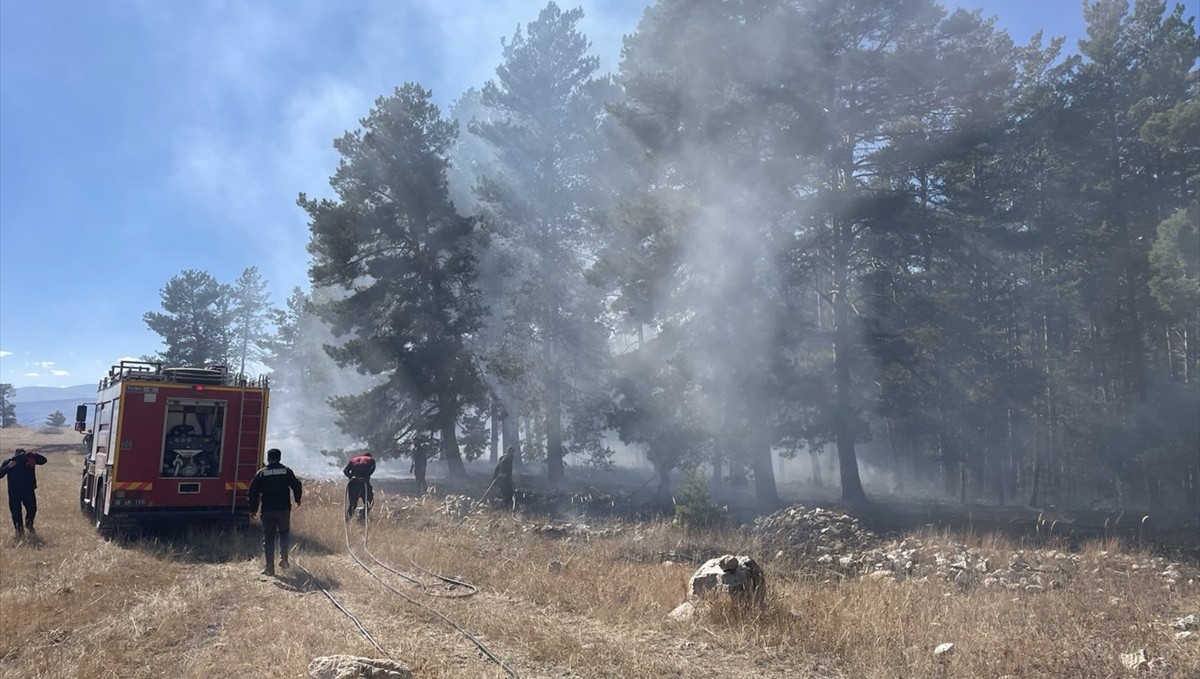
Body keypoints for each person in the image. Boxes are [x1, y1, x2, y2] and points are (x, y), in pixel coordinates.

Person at [248, 448, 302, 576]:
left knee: (269, 538)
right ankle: (284, 559)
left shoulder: (261, 473)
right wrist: (298, 499)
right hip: (284, 509)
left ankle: (269, 568)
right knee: (284, 534)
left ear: (268, 458)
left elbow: (253, 492)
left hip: (268, 511)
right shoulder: (286, 471)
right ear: (280, 458)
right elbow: (297, 484)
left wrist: (253, 509)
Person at [0, 448, 48, 537]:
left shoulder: (30, 460)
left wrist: (33, 455)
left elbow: (44, 460)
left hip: (28, 491)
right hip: (14, 492)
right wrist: (8, 467)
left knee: (32, 509)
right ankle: (19, 531)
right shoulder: (9, 462)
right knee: (16, 513)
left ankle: (29, 524)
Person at [343, 450, 376, 520]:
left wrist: (351, 476)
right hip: (363, 484)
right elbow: (372, 469)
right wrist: (365, 477)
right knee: (369, 501)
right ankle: (362, 515)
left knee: (352, 504)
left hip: (352, 484)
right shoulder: (371, 460)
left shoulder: (353, 460)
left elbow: (345, 471)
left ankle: (347, 520)